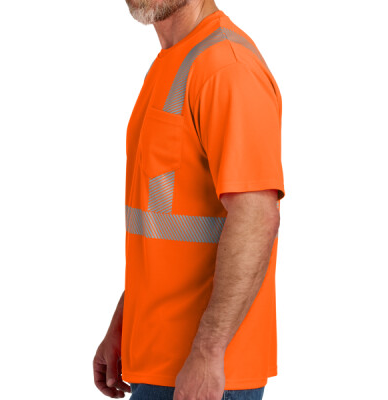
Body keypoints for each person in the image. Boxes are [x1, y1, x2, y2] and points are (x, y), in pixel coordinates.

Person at [93, 0, 285, 399]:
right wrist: (125, 322)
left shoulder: (226, 67)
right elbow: (165, 223)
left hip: (206, 374)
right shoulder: (173, 63)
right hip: (159, 364)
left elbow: (256, 217)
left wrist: (209, 352)